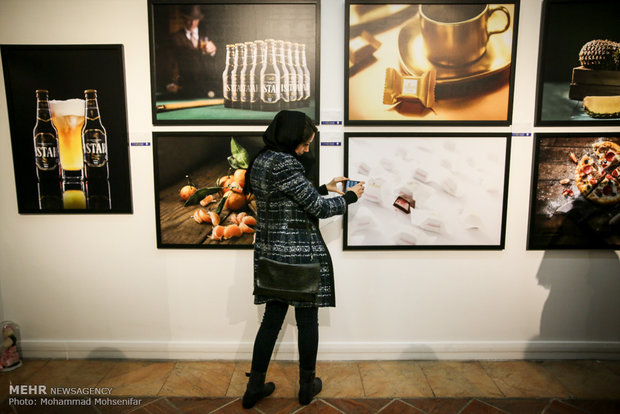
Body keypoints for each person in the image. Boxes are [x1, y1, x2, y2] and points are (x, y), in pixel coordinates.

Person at [241, 110, 364, 408]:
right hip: (298, 256)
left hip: (272, 255)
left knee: (271, 321)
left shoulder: (262, 159)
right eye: (304, 143)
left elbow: (286, 200)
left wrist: (325, 187)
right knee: (308, 321)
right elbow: (318, 209)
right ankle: (307, 387)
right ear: (290, 138)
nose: (306, 148)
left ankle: (254, 387)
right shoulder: (285, 162)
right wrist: (350, 197)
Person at [164, 5, 218, 98]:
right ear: (183, 18)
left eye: (195, 19)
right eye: (188, 19)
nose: (192, 23)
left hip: (209, 87)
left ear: (199, 19)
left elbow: (219, 58)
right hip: (186, 88)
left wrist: (213, 51)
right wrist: (169, 83)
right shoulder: (175, 38)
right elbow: (169, 63)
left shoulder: (207, 34)